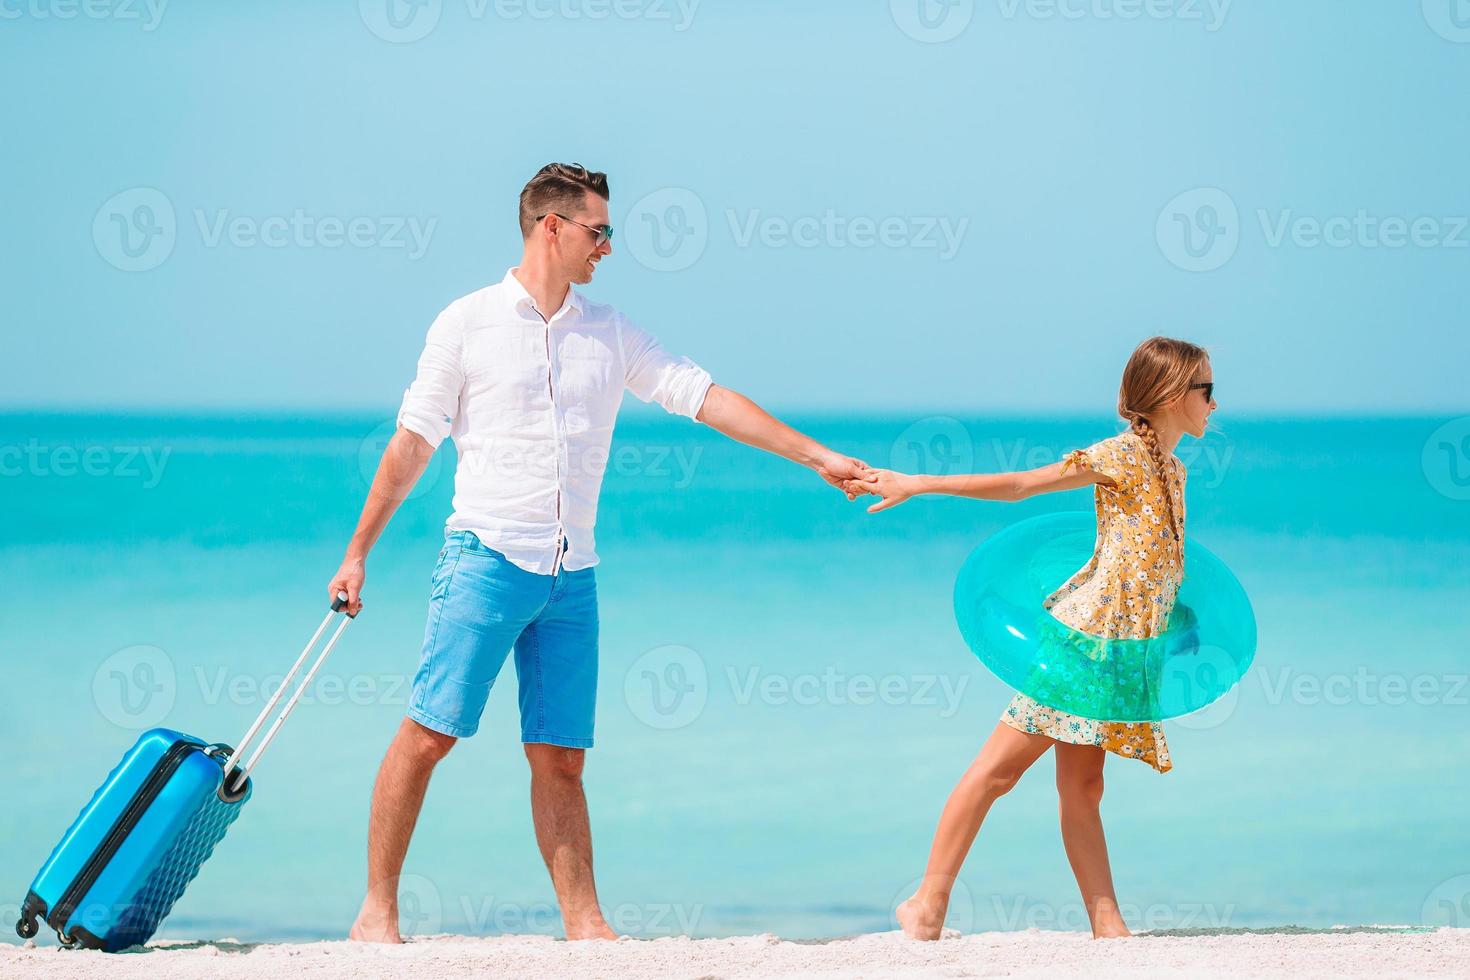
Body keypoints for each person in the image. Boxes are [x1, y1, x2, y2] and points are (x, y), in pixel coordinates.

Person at [332, 163, 873, 943]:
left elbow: (705, 396)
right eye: (600, 231)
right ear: (551, 227)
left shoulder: (610, 331)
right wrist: (358, 554)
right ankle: (375, 912)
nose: (608, 247)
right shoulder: (467, 322)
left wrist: (816, 456)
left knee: (561, 759)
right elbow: (414, 443)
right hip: (484, 558)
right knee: (429, 734)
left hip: (570, 574)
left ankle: (586, 925)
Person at [857, 337, 1217, 940]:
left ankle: (1108, 927)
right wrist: (917, 483)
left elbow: (1151, 562)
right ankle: (926, 903)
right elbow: (1023, 484)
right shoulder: (1122, 456)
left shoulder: (1174, 471)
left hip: (1119, 651)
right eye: (1208, 390)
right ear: (1174, 395)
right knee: (998, 772)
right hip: (1083, 644)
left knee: (1084, 785)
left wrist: (1176, 622)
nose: (1215, 403)